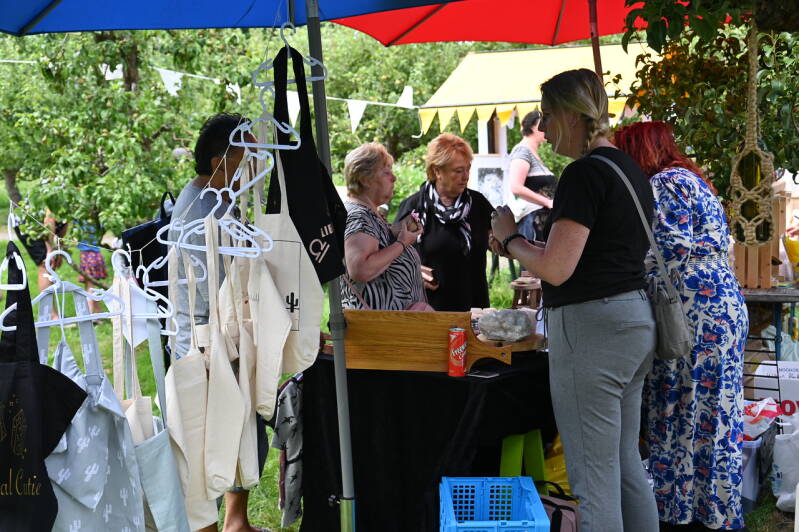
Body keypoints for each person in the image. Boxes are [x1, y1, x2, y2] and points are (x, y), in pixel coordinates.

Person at [490, 68, 659, 532]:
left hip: (593, 333)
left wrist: (509, 240)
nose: (543, 128)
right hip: (633, 322)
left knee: (594, 482)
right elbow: (585, 256)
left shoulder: (584, 174)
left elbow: (559, 268)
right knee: (625, 469)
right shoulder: (628, 169)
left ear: (570, 114)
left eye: (547, 115)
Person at [614, 121, 748, 530]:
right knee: (718, 410)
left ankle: (682, 514)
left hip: (691, 312)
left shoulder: (665, 183)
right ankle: (717, 511)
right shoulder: (693, 179)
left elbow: (668, 250)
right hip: (721, 303)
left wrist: (619, 270)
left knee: (680, 405)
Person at [170, 112, 270, 532]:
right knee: (211, 435)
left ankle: (236, 521)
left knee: (244, 429)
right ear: (218, 161)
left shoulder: (219, 199)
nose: (252, 165)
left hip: (218, 335)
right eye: (245, 155)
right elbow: (220, 290)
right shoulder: (204, 211)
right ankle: (209, 525)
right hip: (204, 341)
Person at [395, 133, 493, 311]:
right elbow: (392, 256)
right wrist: (414, 271)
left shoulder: (478, 204)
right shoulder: (415, 208)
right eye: (458, 171)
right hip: (429, 309)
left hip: (474, 308)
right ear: (437, 171)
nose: (466, 176)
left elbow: (497, 242)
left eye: (467, 169)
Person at [340, 142, 430, 311]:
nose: (394, 178)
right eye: (386, 172)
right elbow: (361, 269)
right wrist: (401, 243)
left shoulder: (369, 214)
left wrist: (395, 231)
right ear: (365, 179)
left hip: (391, 328)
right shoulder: (358, 216)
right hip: (379, 331)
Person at [508, 110, 557, 242]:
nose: (546, 128)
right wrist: (547, 202)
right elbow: (516, 187)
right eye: (543, 124)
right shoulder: (522, 151)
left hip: (541, 220)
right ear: (533, 127)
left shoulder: (531, 152)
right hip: (532, 221)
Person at [76, 222, 108, 313]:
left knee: (90, 285)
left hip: (88, 255)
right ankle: (95, 311)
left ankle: (90, 313)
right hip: (94, 255)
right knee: (91, 284)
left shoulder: (81, 220)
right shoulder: (96, 220)